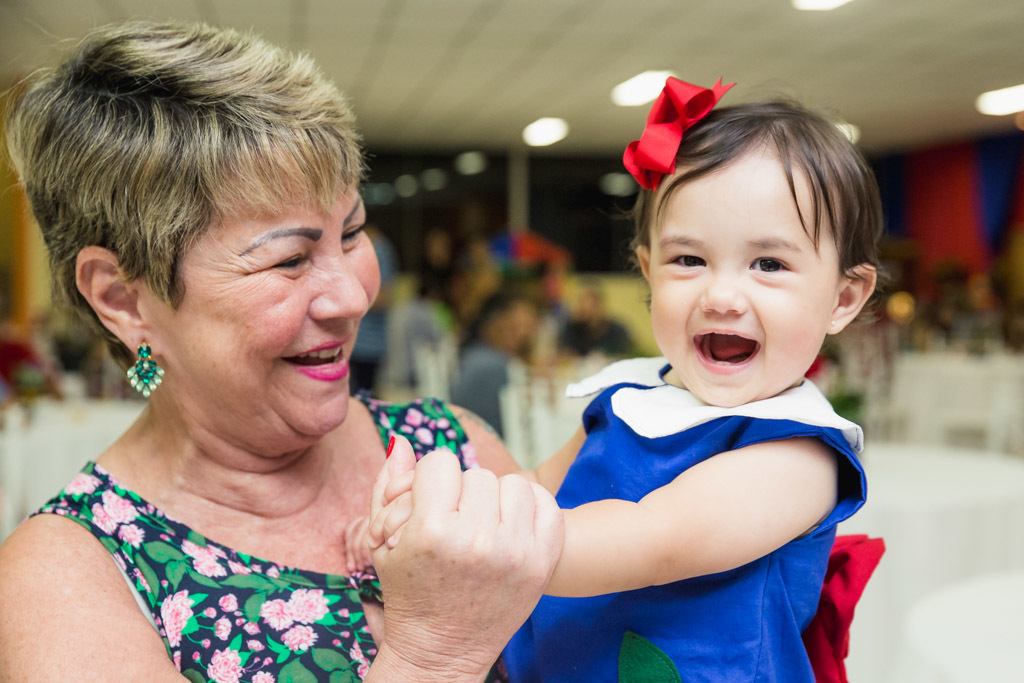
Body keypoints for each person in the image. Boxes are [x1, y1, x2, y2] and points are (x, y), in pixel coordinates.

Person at [0, 21, 562, 682]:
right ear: (124, 299)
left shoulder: (449, 446)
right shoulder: (65, 575)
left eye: (352, 233)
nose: (353, 295)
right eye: (290, 259)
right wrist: (431, 655)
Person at [370, 78, 881, 681]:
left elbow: (657, 539)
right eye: (688, 260)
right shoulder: (629, 396)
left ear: (843, 297)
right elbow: (538, 486)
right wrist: (438, 511)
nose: (720, 294)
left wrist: (484, 552)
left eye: (768, 264)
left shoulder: (797, 452)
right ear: (648, 270)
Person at [449, 292, 540, 437]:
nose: (524, 334)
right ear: (497, 325)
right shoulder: (496, 368)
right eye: (514, 327)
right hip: (491, 446)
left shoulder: (475, 355)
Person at [557, 278, 634, 359]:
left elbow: (627, 357)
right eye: (578, 300)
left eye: (583, 300)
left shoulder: (617, 330)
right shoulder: (572, 329)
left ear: (598, 303)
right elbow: (563, 357)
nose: (579, 305)